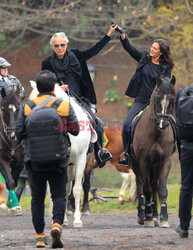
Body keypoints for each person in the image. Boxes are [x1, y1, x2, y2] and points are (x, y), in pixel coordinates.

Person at [16, 70, 79, 248]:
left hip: (34, 160)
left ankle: (39, 236)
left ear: (37, 87)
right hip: (59, 159)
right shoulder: (64, 105)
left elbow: (19, 133)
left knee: (37, 198)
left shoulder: (27, 107)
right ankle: (57, 224)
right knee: (59, 195)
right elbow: (75, 130)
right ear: (54, 87)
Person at [41, 25, 118, 167]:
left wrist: (108, 35)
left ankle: (100, 151)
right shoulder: (46, 63)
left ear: (67, 44)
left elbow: (94, 50)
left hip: (80, 100)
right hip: (57, 101)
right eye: (56, 45)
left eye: (62, 45)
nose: (60, 48)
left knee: (98, 123)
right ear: (52, 46)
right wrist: (57, 88)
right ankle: (42, 152)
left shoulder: (76, 55)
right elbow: (43, 84)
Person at [116, 26, 174, 166]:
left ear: (160, 52)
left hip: (159, 104)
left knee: (173, 125)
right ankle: (127, 154)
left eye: (155, 48)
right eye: (151, 47)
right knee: (126, 125)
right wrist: (123, 35)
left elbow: (165, 86)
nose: (151, 50)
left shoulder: (166, 68)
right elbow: (130, 49)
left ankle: (174, 147)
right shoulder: (144, 58)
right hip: (141, 101)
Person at [175, 85, 193, 238]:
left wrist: (182, 151)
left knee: (186, 187)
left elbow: (177, 124)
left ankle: (184, 228)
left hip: (187, 147)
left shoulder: (182, 92)